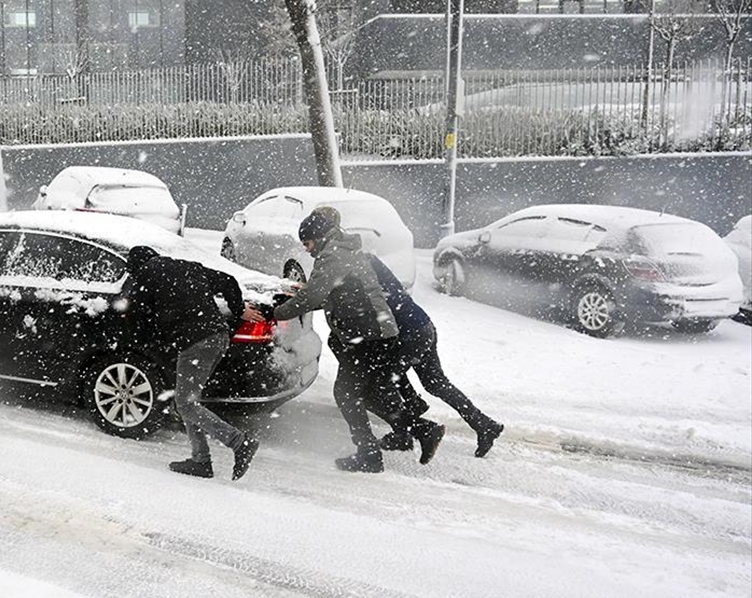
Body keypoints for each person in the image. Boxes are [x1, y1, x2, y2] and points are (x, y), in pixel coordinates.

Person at [308, 206, 505, 458]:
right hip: (420, 324)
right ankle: (482, 424)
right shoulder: (363, 256)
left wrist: (309, 296)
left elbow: (347, 298)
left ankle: (416, 429)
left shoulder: (345, 261)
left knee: (377, 386)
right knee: (433, 382)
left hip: (403, 333)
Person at [264, 211, 445, 473]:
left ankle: (371, 454)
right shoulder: (343, 250)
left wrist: (276, 312)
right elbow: (335, 290)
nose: (306, 248)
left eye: (307, 242)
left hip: (366, 335)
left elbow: (314, 297)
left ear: (319, 236)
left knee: (347, 394)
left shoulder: (332, 255)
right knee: (368, 394)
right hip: (375, 332)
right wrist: (306, 292)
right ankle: (421, 430)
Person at [123, 245, 262, 481]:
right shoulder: (186, 267)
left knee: (185, 404)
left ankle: (240, 442)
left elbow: (136, 318)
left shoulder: (144, 277)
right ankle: (200, 461)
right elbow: (228, 280)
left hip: (196, 342)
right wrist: (237, 309)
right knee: (188, 401)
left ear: (136, 268)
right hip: (217, 337)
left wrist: (147, 338)